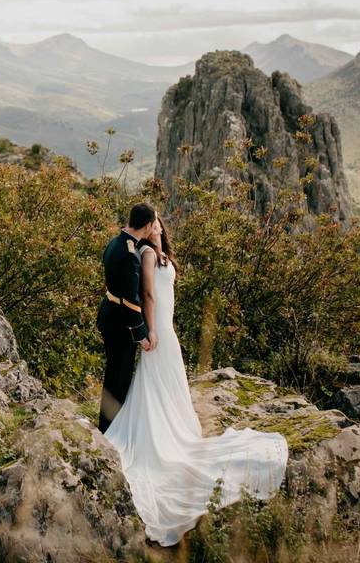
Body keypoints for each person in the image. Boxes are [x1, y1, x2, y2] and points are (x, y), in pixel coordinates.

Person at [103, 211, 289, 547]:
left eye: (161, 222)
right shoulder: (143, 253)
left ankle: (175, 426)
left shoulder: (158, 255)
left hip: (167, 329)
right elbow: (146, 296)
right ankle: (155, 433)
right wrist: (150, 331)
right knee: (154, 382)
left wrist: (161, 255)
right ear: (149, 227)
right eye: (155, 221)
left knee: (172, 381)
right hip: (158, 329)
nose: (159, 225)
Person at [96, 202, 157, 433]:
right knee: (119, 378)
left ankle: (106, 425)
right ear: (149, 225)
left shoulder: (116, 242)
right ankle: (110, 430)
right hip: (120, 324)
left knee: (113, 374)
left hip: (109, 316)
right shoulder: (131, 254)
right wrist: (140, 334)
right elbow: (131, 301)